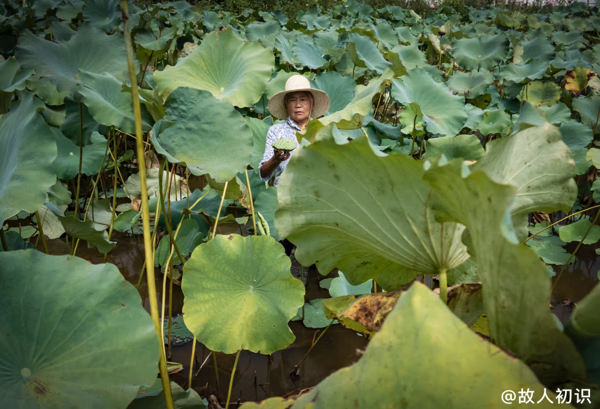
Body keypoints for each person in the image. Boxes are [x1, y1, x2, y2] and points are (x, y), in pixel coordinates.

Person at [258, 75, 330, 186]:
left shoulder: (322, 129)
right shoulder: (276, 131)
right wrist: (276, 159)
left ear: (312, 104)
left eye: (303, 100)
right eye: (292, 100)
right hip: (284, 196)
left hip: (316, 194)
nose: (298, 105)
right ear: (286, 105)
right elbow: (263, 174)